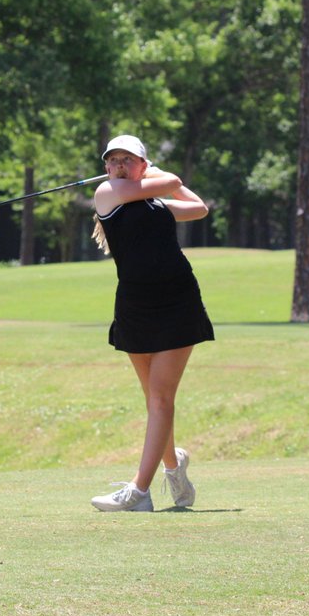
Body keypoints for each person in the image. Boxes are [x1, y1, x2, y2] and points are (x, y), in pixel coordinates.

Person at [89, 135, 214, 512]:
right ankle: (174, 468)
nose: (119, 166)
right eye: (113, 160)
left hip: (177, 300)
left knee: (161, 398)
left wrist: (155, 177)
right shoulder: (106, 194)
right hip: (135, 305)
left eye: (129, 159)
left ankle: (138, 493)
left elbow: (199, 208)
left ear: (143, 165)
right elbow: (172, 180)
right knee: (154, 400)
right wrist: (154, 174)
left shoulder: (157, 203)